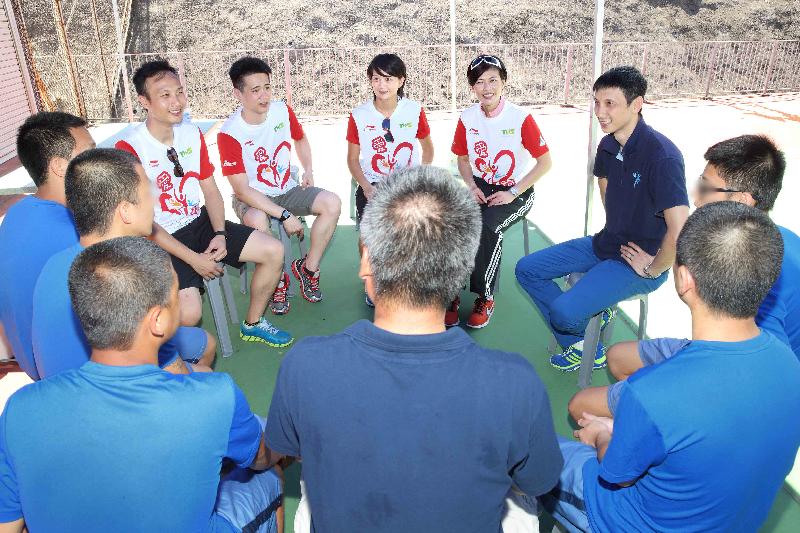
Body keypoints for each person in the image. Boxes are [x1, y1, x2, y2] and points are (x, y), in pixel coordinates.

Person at [264, 165, 563, 532]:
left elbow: (288, 449)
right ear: (463, 267)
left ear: (365, 263)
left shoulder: (304, 366)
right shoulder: (516, 384)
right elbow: (537, 481)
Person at [542, 201, 800, 532]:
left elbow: (616, 475)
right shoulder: (790, 367)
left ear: (684, 279)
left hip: (630, 519)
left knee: (527, 451)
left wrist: (603, 435)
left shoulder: (654, 393)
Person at [0, 237, 283, 533]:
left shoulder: (20, 410)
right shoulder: (215, 398)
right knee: (270, 476)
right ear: (158, 321)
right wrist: (284, 446)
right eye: (175, 296)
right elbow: (261, 458)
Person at [568, 134, 799, 420]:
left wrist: (681, 389)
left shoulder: (765, 274)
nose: (696, 197)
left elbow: (761, 371)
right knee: (617, 357)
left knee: (583, 407)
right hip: (719, 348)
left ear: (741, 199)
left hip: (742, 376)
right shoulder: (771, 239)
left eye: (705, 187)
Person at [516, 66, 689, 371]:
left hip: (640, 262)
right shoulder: (608, 144)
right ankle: (584, 345)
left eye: (610, 103)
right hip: (606, 243)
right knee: (527, 269)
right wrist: (617, 223)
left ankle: (585, 320)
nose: (600, 112)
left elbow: (680, 230)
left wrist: (652, 268)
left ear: (636, 105)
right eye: (596, 102)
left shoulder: (662, 157)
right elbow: (604, 182)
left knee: (564, 314)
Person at [115, 60, 292, 348]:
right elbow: (142, 223)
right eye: (165, 95)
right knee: (190, 313)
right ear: (144, 101)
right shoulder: (129, 148)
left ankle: (253, 322)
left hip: (200, 222)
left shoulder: (191, 133)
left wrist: (220, 233)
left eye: (179, 92)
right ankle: (170, 359)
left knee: (273, 250)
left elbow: (210, 190)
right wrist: (192, 258)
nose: (176, 102)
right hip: (161, 238)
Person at [32, 148, 216, 378]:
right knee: (207, 375)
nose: (156, 199)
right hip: (109, 398)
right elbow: (175, 373)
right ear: (126, 211)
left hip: (65, 389)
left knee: (205, 343)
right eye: (147, 192)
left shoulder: (55, 262)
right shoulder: (132, 275)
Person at [218, 56, 342, 312]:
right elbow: (242, 190)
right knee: (256, 218)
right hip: (252, 197)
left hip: (288, 188)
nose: (264, 96)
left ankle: (307, 268)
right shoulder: (229, 133)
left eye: (267, 87)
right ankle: (276, 279)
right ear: (237, 94)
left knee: (332, 202)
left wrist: (307, 169)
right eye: (255, 90)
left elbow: (300, 139)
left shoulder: (282, 111)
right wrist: (284, 215)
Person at [450, 54, 552, 328]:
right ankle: (453, 292)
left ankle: (485, 296)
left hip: (516, 190)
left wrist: (514, 192)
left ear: (504, 82)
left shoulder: (520, 118)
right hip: (479, 186)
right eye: (480, 82)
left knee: (486, 226)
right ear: (472, 88)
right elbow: (461, 159)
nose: (487, 88)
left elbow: (545, 163)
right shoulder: (468, 117)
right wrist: (471, 186)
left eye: (493, 80)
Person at [0, 112, 94, 380]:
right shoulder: (77, 236)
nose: (100, 162)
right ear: (58, 166)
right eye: (89, 153)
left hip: (36, 368)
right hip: (80, 378)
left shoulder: (16, 214)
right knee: (200, 345)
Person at [346, 53, 434, 306]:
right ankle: (371, 281)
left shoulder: (415, 111)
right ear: (370, 81)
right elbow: (352, 159)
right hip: (373, 184)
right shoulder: (359, 115)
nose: (382, 85)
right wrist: (365, 186)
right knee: (367, 236)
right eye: (376, 79)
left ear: (401, 80)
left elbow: (427, 148)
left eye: (388, 78)